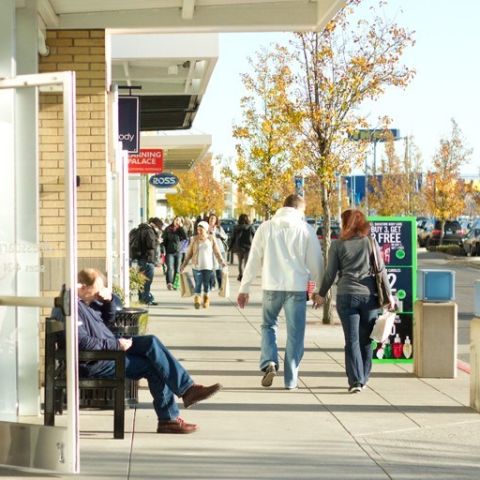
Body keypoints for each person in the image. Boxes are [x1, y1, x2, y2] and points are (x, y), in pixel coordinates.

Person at [75, 268, 222, 434]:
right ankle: (170, 417)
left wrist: (109, 300)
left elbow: (110, 317)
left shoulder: (88, 302)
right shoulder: (73, 309)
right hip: (97, 360)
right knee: (153, 366)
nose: (98, 294)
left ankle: (187, 391)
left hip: (110, 349)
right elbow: (83, 343)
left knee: (151, 342)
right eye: (97, 289)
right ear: (83, 287)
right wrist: (116, 345)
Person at [237, 194, 323, 390]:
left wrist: (245, 288)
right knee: (295, 333)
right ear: (299, 209)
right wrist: (319, 289)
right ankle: (291, 379)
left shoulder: (266, 227)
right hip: (296, 287)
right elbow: (316, 262)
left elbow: (253, 259)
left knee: (268, 325)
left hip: (271, 286)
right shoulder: (305, 229)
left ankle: (269, 361)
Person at [312, 209, 396, 393]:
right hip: (369, 297)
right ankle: (363, 378)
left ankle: (355, 381)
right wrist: (389, 296)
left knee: (352, 341)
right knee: (366, 341)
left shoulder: (337, 245)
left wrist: (321, 293)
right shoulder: (370, 242)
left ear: (345, 224)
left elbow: (330, 273)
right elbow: (381, 271)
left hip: (346, 295)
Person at [180, 221, 226, 309]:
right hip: (196, 266)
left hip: (208, 266)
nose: (199, 231)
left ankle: (206, 299)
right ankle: (197, 300)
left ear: (206, 229)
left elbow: (217, 252)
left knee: (206, 284)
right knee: (198, 283)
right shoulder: (194, 239)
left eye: (201, 230)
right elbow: (189, 253)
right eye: (198, 229)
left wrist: (221, 261)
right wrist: (183, 264)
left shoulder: (211, 238)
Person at [131, 218, 162, 305]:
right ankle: (146, 299)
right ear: (154, 225)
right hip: (147, 259)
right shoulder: (149, 231)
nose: (158, 229)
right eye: (158, 227)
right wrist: (157, 241)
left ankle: (142, 298)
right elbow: (150, 245)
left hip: (139, 258)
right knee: (147, 281)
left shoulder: (139, 229)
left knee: (141, 280)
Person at [162, 217, 188, 290]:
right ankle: (169, 283)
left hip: (179, 252)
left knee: (177, 269)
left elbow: (185, 237)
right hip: (169, 252)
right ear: (173, 220)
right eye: (176, 220)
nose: (177, 221)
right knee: (170, 268)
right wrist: (162, 250)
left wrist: (181, 227)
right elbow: (163, 240)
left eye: (179, 221)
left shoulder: (181, 229)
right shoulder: (168, 229)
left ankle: (175, 284)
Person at [229, 213, 255, 281]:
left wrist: (230, 247)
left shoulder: (236, 227)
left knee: (240, 262)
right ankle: (246, 276)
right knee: (246, 263)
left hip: (239, 247)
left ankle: (240, 275)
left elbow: (233, 238)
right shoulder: (250, 227)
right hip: (248, 247)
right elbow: (255, 236)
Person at [207, 214, 228, 288]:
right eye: (211, 218)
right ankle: (212, 284)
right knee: (210, 267)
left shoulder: (219, 228)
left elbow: (225, 237)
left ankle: (220, 284)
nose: (212, 219)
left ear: (216, 220)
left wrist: (219, 235)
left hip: (219, 249)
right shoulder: (205, 227)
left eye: (214, 218)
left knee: (219, 267)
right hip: (209, 250)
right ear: (209, 219)